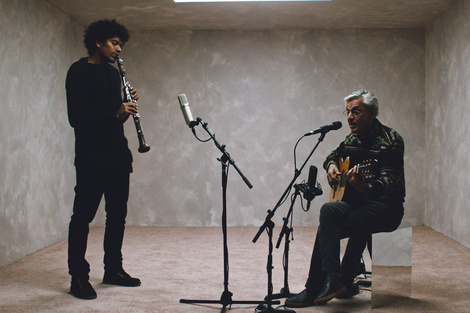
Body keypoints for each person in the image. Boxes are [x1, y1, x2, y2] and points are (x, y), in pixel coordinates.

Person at [285, 90, 406, 308]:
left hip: (386, 207)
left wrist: (365, 187)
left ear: (371, 113)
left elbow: (389, 181)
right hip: (359, 204)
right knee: (328, 211)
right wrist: (331, 166)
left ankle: (324, 286)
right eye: (347, 112)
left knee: (337, 224)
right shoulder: (352, 138)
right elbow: (334, 155)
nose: (349, 117)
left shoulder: (392, 140)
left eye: (356, 112)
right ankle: (333, 280)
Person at [66, 19, 141, 300]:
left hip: (118, 156)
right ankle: (78, 277)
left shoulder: (113, 75)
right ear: (97, 41)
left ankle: (113, 270)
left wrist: (125, 103)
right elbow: (78, 118)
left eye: (120, 43)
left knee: (117, 216)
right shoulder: (78, 72)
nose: (118, 48)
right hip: (91, 157)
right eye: (114, 42)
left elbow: (115, 114)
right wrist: (116, 113)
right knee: (82, 217)